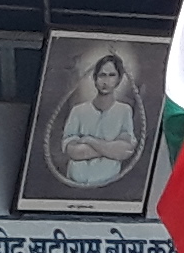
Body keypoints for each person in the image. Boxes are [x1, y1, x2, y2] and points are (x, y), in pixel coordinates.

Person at [53, 50, 144, 189]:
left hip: (110, 185)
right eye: (102, 75)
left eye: (111, 75)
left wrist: (89, 140)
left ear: (119, 79)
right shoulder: (78, 111)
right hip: (75, 183)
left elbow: (125, 150)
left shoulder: (124, 110)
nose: (106, 81)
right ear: (95, 79)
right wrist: (112, 149)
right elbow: (74, 152)